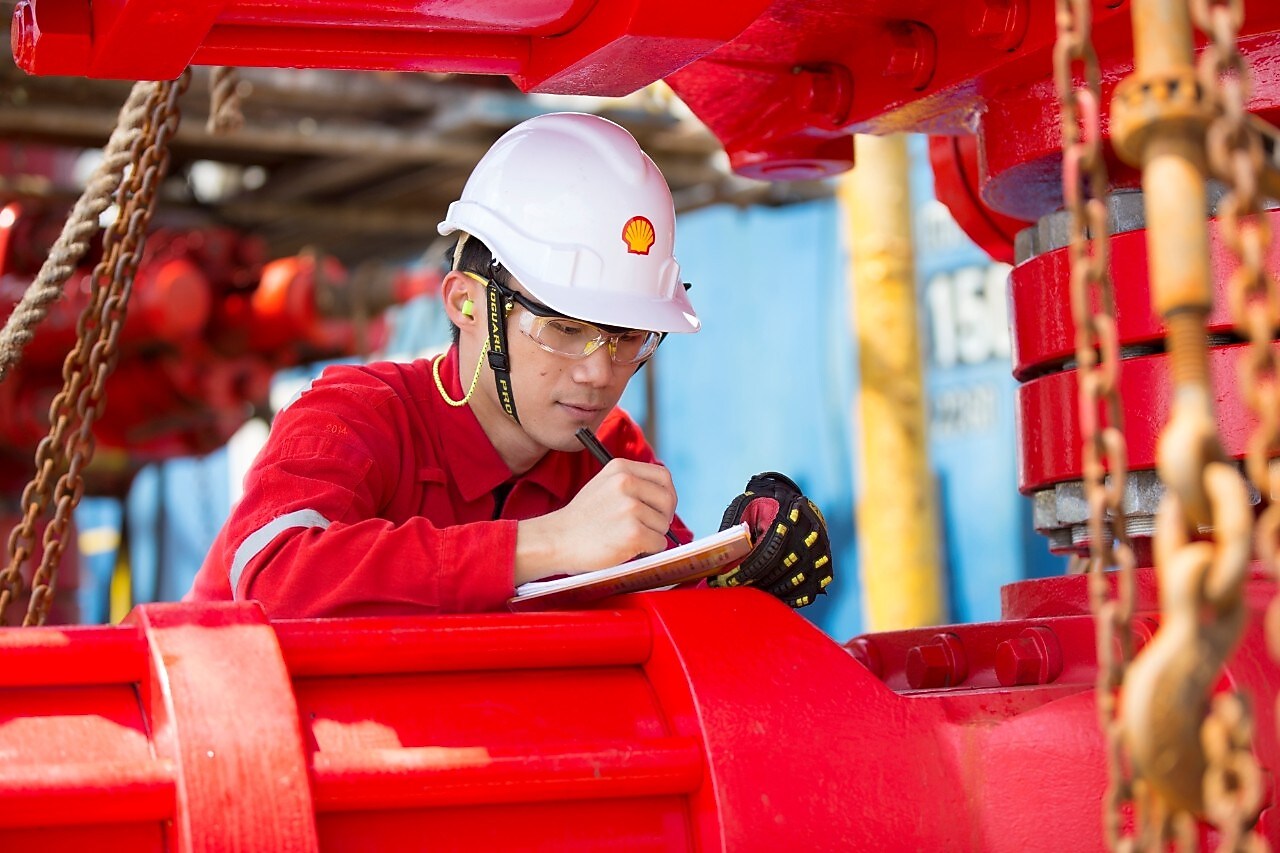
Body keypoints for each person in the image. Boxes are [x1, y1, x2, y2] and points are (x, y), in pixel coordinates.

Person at [187, 112, 832, 618]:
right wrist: (549, 543)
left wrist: (734, 576)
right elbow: (273, 579)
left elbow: (666, 627)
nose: (597, 374)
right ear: (466, 304)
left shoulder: (606, 456)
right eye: (563, 329)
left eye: (627, 337)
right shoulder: (355, 415)